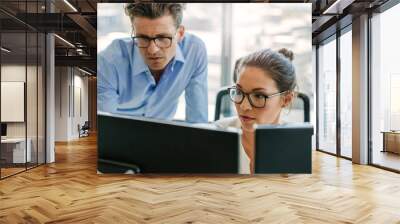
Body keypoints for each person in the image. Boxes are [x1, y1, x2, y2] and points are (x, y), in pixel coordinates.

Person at [98, 3, 208, 123]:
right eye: (143, 38)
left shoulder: (194, 51)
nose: (152, 50)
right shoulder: (109, 62)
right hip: (120, 135)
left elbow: (198, 121)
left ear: (180, 34)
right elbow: (105, 126)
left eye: (162, 38)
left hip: (163, 137)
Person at [215, 48, 296, 174]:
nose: (244, 106)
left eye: (259, 96)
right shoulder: (216, 134)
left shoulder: (297, 149)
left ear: (286, 99)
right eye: (238, 92)